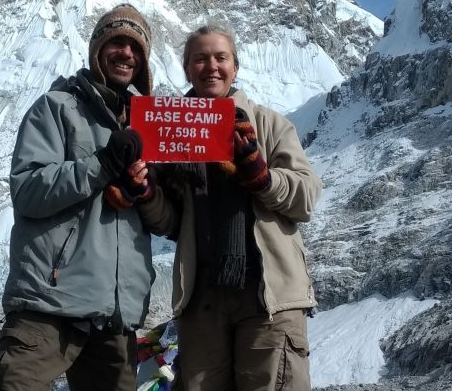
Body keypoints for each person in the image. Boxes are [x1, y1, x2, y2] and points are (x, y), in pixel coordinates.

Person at [0, 4, 160, 391]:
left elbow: (166, 217)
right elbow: (28, 189)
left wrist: (144, 190)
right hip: (49, 308)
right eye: (116, 41)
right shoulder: (56, 107)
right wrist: (103, 164)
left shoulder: (149, 126)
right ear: (97, 49)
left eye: (136, 47)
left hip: (115, 318)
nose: (126, 53)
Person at [136, 24, 322, 391]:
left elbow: (306, 196)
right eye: (200, 59)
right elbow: (171, 223)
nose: (211, 66)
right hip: (203, 300)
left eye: (221, 57)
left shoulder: (269, 125)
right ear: (187, 69)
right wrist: (145, 192)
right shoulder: (171, 135)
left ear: (235, 66)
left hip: (268, 300)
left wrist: (262, 179)